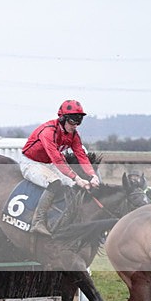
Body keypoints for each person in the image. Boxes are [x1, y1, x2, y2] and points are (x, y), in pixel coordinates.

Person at [19, 99, 100, 235]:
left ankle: (65, 217)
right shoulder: (48, 132)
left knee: (74, 185)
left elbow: (81, 155)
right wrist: (77, 177)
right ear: (62, 118)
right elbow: (57, 159)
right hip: (31, 163)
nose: (76, 125)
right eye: (73, 121)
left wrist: (93, 175)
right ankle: (37, 222)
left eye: (79, 121)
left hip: (48, 164)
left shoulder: (73, 135)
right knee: (55, 183)